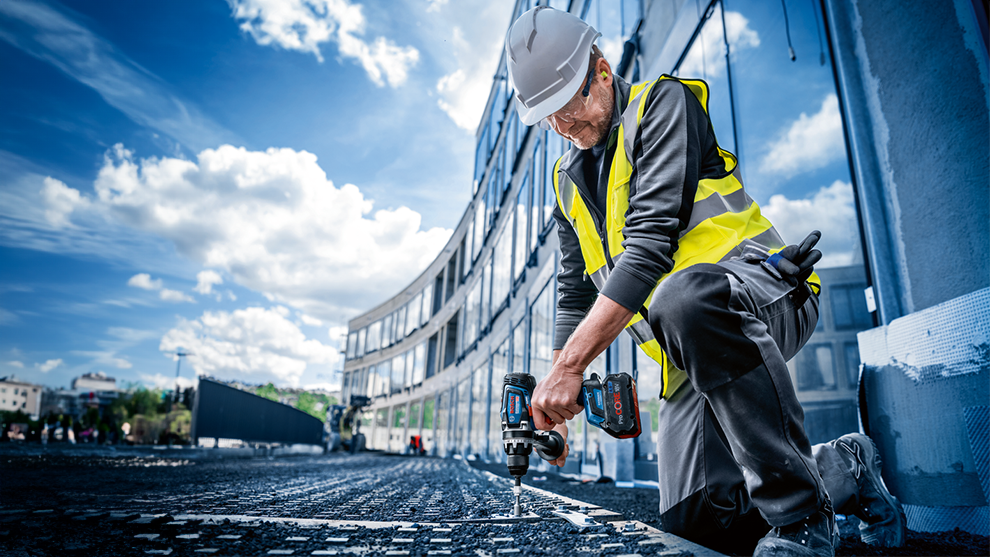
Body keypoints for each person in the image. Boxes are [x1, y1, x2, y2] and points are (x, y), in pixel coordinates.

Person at [503, 7, 906, 556]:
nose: (561, 126)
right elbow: (576, 291)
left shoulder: (663, 105)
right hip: (686, 350)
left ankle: (801, 521)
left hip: (762, 297)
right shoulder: (566, 183)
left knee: (683, 296)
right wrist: (554, 394)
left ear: (599, 70)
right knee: (697, 526)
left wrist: (572, 367)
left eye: (567, 107)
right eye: (546, 117)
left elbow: (647, 251)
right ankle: (842, 467)